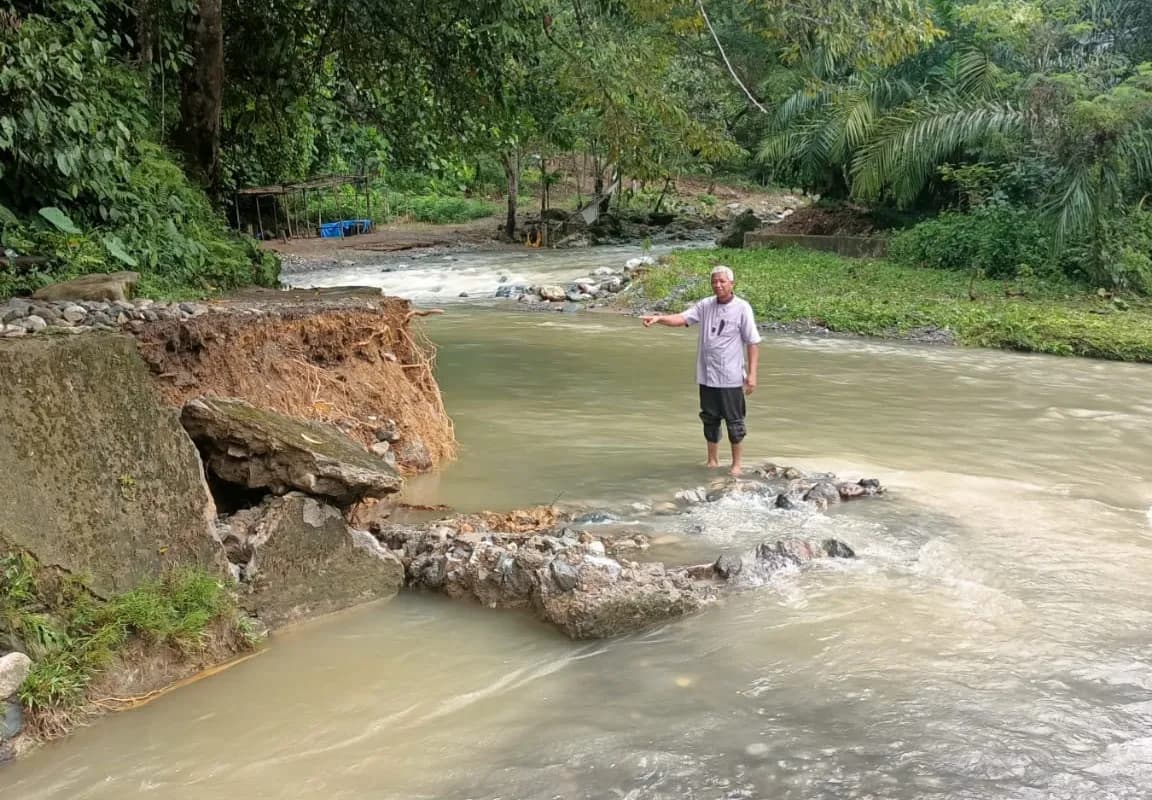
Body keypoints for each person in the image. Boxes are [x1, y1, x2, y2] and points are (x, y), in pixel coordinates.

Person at [642, 265, 761, 475]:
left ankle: (736, 466)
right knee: (710, 419)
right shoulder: (705, 305)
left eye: (722, 281)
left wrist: (752, 375)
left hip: (730, 377)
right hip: (707, 376)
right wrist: (659, 318)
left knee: (735, 423)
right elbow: (682, 318)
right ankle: (712, 461)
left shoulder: (742, 307)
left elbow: (752, 342)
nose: (718, 285)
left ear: (732, 284)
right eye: (714, 281)